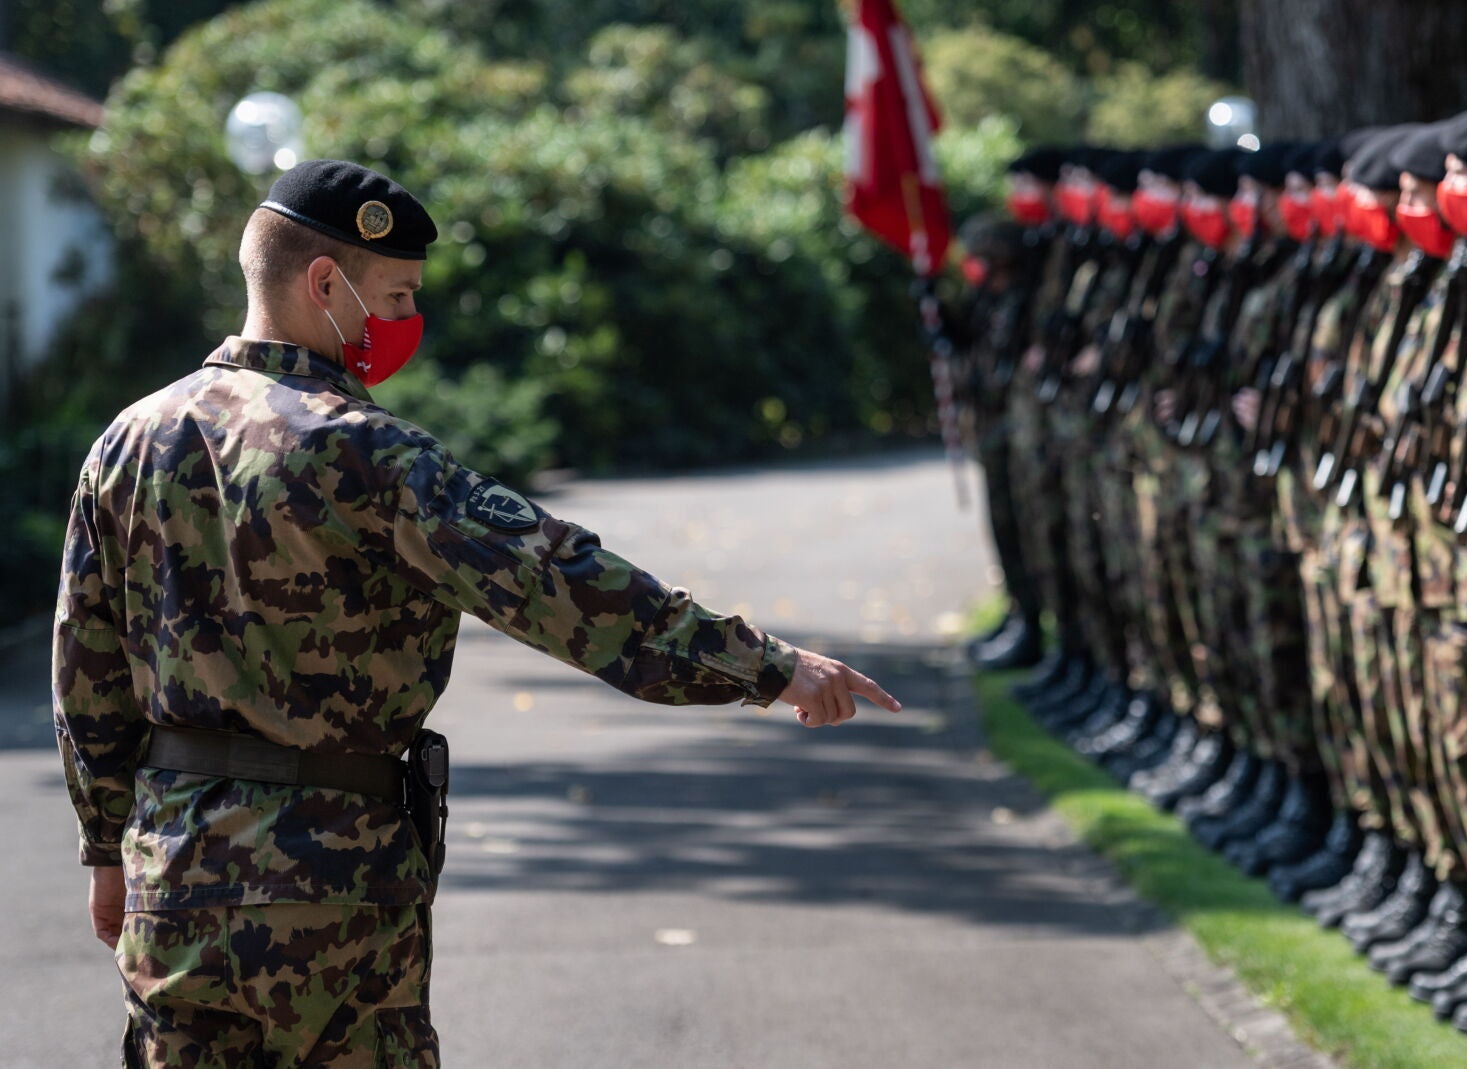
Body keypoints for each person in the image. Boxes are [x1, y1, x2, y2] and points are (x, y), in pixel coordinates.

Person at [54, 159, 900, 1067]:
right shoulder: (369, 454)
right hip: (331, 887)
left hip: (171, 883)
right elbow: (563, 583)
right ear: (324, 283)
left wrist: (108, 847)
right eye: (397, 293)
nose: (408, 320)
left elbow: (86, 673)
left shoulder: (127, 442)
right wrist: (768, 666)